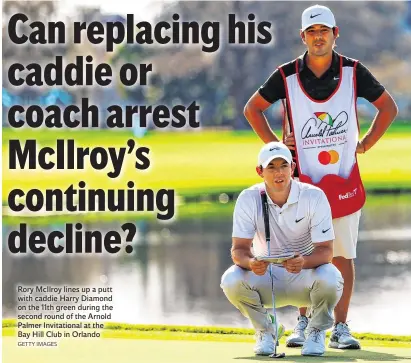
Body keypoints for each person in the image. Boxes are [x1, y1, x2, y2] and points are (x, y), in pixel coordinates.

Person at [243, 4, 398, 350]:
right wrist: (278, 151)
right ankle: (304, 322)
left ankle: (340, 327)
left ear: (335, 33)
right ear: (303, 36)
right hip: (303, 184)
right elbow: (252, 108)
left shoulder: (354, 72)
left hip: (342, 180)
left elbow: (388, 107)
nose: (318, 38)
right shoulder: (286, 76)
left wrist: (367, 143)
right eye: (311, 32)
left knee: (341, 255)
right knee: (302, 254)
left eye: (323, 31)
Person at [220, 141, 344, 356]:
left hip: (304, 277)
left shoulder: (313, 196)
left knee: (331, 276)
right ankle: (266, 330)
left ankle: (315, 331)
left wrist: (304, 262)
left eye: (283, 166)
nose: (279, 173)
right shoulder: (248, 198)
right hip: (266, 277)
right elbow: (238, 249)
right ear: (260, 171)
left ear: (293, 167)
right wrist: (250, 263)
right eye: (271, 167)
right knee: (230, 279)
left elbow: (326, 251)